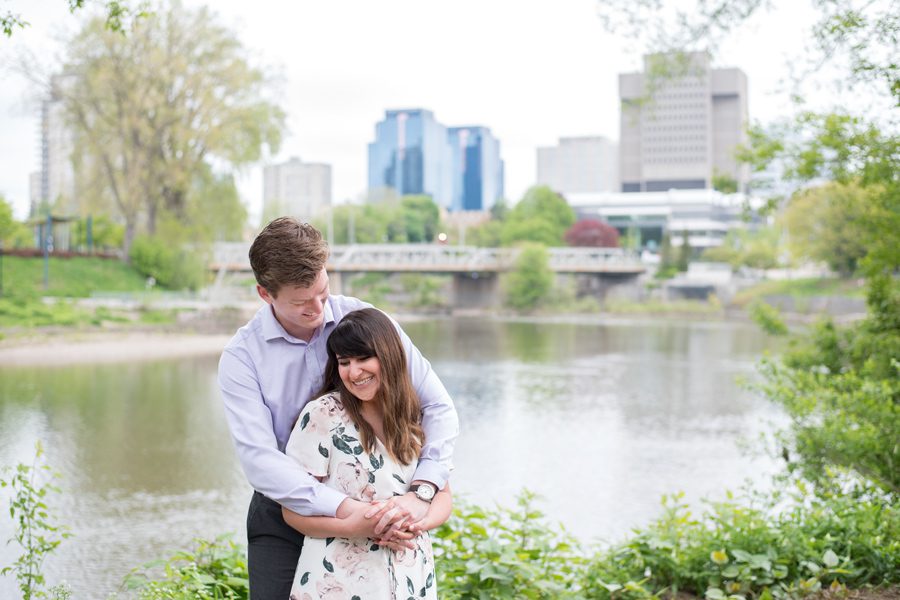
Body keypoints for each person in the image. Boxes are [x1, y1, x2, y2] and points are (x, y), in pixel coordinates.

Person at [218, 217, 458, 599]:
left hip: (382, 501)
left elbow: (438, 407)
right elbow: (259, 460)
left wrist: (420, 492)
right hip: (286, 507)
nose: (319, 308)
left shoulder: (366, 322)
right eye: (301, 302)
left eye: (323, 291)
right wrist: (346, 511)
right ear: (266, 294)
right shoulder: (242, 357)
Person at [282, 308, 452, 599]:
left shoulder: (415, 414)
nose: (353, 371)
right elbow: (292, 511)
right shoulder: (323, 414)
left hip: (411, 574)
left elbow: (444, 496)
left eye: (363, 358)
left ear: (389, 355)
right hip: (338, 582)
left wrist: (415, 521)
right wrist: (353, 527)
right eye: (344, 362)